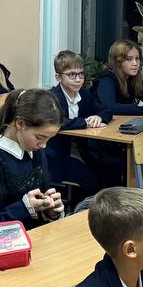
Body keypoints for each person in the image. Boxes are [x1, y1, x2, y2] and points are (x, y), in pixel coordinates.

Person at [0, 89, 64, 224]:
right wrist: (23, 208)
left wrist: (49, 210)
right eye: (40, 137)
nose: (43, 145)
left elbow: (40, 199)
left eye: (49, 139)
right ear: (20, 124)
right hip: (0, 236)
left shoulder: (36, 151)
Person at [46, 50, 113, 201]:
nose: (78, 79)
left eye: (81, 74)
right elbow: (55, 121)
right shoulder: (51, 97)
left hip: (82, 151)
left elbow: (105, 110)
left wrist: (98, 116)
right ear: (58, 77)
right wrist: (85, 122)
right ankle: (85, 208)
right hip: (57, 157)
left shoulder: (84, 94)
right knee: (93, 178)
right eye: (72, 75)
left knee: (110, 170)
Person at [96, 40, 143, 117]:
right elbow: (110, 108)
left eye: (137, 58)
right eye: (129, 59)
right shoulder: (106, 79)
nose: (135, 63)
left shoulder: (132, 79)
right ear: (118, 62)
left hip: (123, 122)